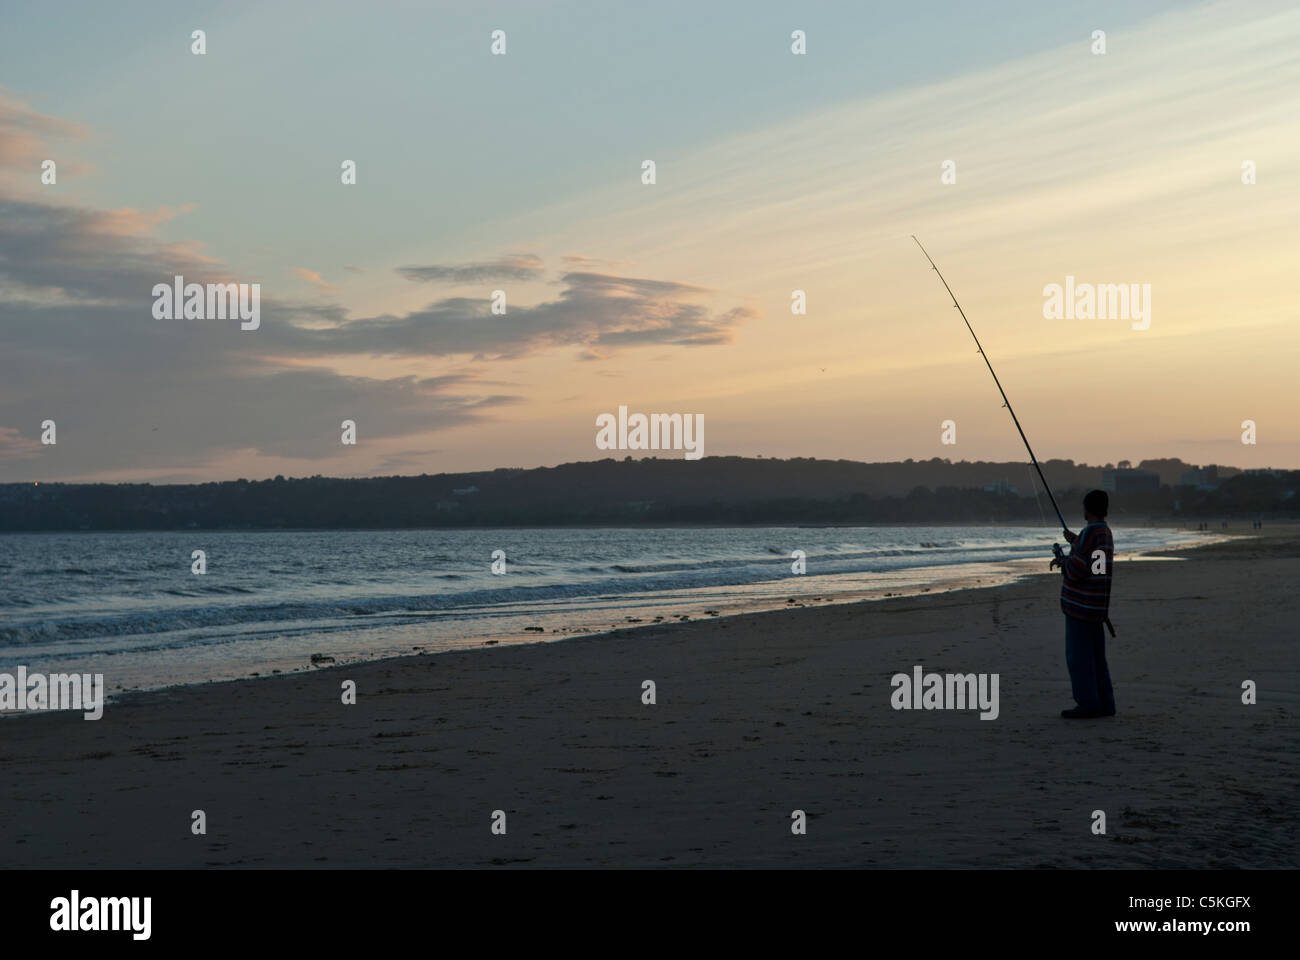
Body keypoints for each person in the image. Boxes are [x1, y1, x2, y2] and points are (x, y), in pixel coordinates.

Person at [1050, 489, 1115, 718]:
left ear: (1087, 509)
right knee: (1097, 658)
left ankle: (1088, 703)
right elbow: (1094, 565)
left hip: (1081, 607)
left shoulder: (1090, 533)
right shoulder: (1104, 532)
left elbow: (1077, 570)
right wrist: (1077, 541)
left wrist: (1063, 561)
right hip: (1097, 608)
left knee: (1078, 658)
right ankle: (1105, 703)